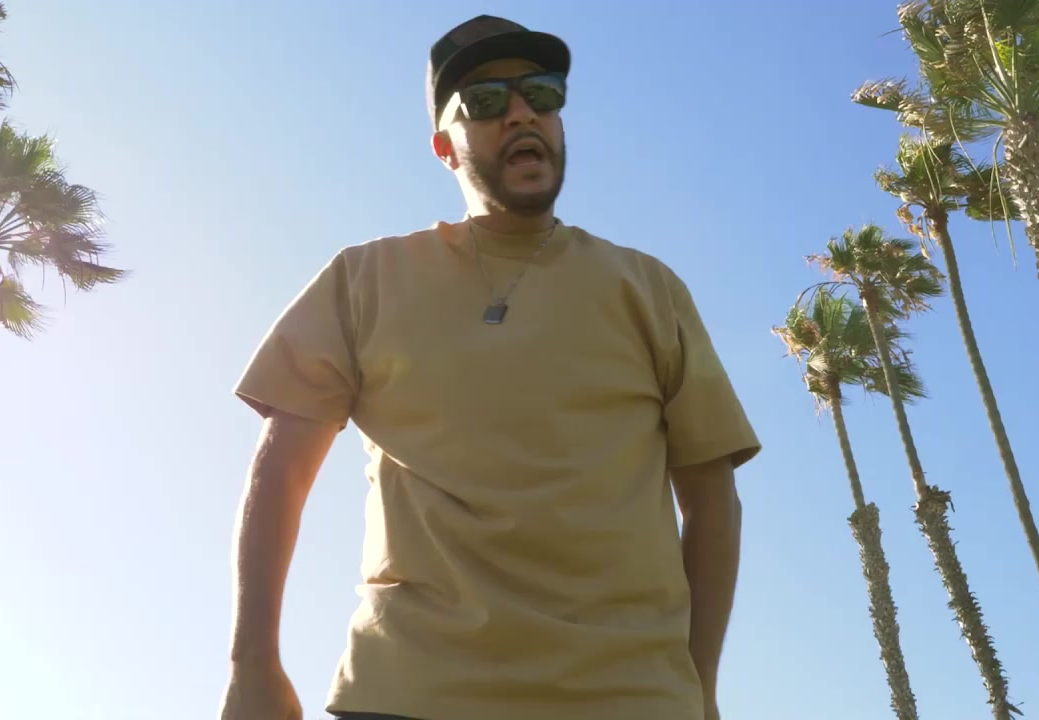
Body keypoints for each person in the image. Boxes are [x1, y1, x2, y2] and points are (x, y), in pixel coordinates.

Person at [219, 14, 761, 720]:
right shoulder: (364, 279)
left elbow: (712, 497)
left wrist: (699, 687)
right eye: (485, 101)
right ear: (445, 147)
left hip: (630, 699)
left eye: (542, 94)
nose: (521, 113)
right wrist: (252, 664)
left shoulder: (648, 288)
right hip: (407, 694)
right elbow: (281, 471)